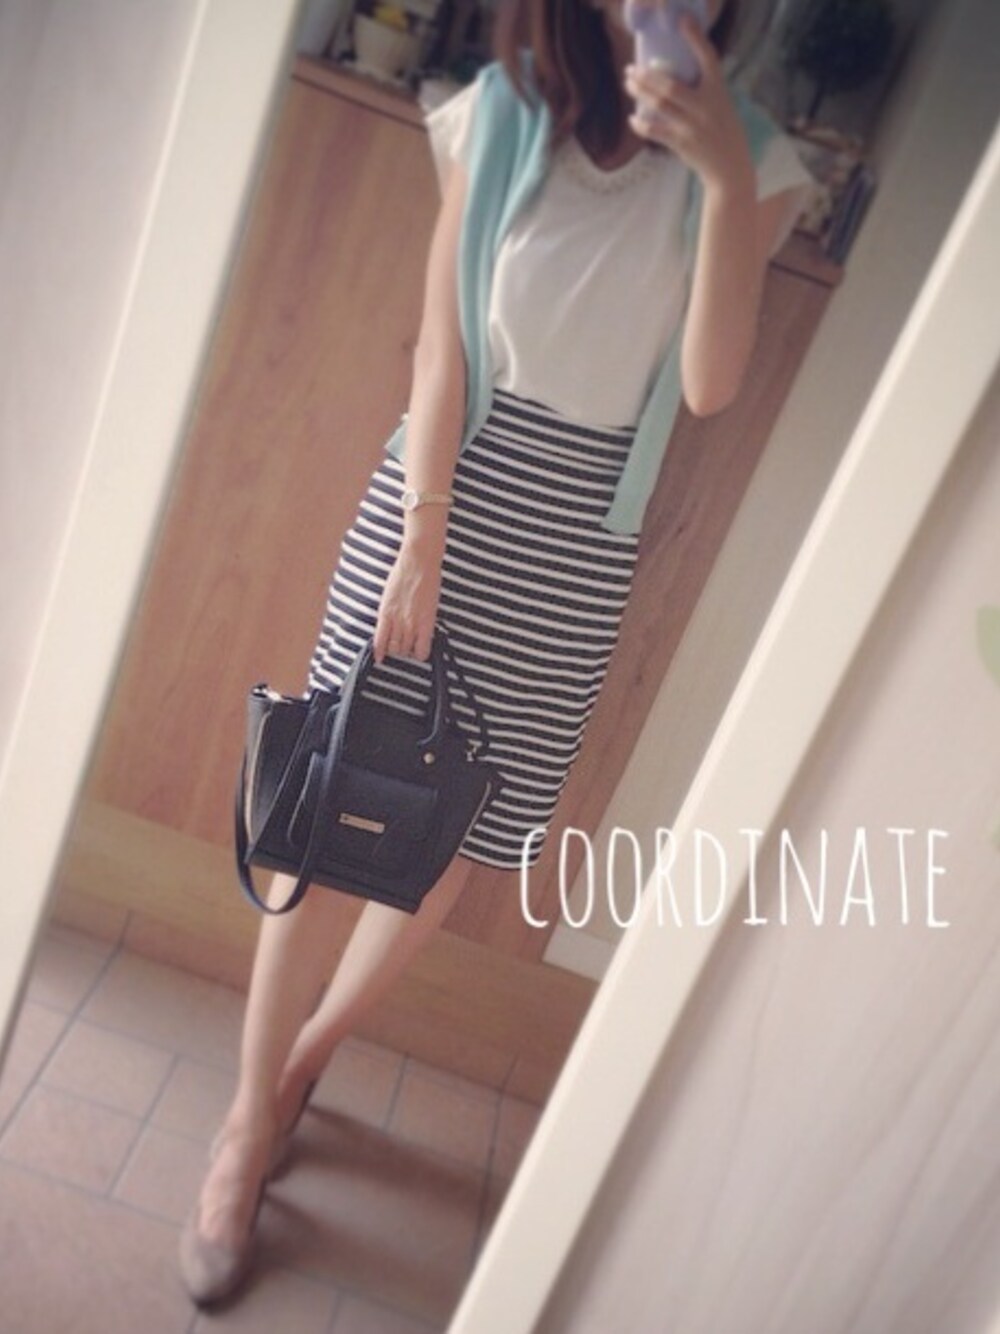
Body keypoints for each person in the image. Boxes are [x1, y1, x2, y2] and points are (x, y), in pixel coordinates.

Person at [179, 0, 813, 1306]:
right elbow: (443, 347)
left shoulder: (757, 161)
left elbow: (707, 387)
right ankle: (247, 1120)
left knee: (457, 833)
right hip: (438, 490)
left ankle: (305, 1060)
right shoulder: (502, 114)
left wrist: (722, 175)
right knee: (316, 808)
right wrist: (421, 534)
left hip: (573, 545)